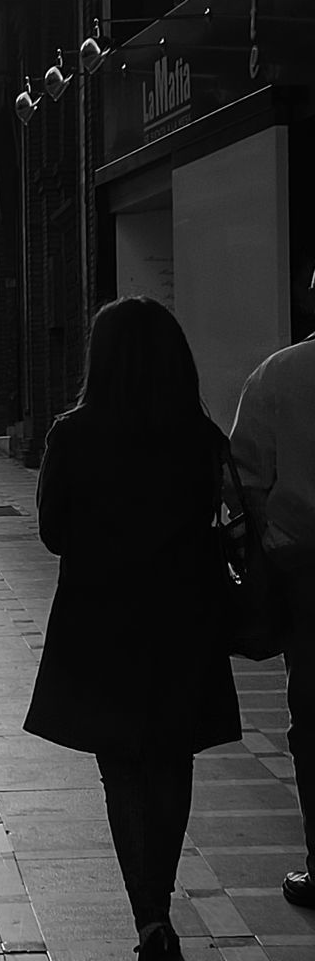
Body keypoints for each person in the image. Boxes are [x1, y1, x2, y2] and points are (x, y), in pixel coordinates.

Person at [23, 296, 240, 961]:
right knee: (171, 762)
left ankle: (149, 918)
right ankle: (160, 901)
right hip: (184, 619)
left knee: (122, 769)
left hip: (101, 621)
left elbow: (54, 534)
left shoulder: (74, 433)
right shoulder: (201, 438)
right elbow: (228, 523)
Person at [228, 333, 315, 908]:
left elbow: (245, 477)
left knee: (312, 715)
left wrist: (268, 541)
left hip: (306, 566)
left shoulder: (279, 374)